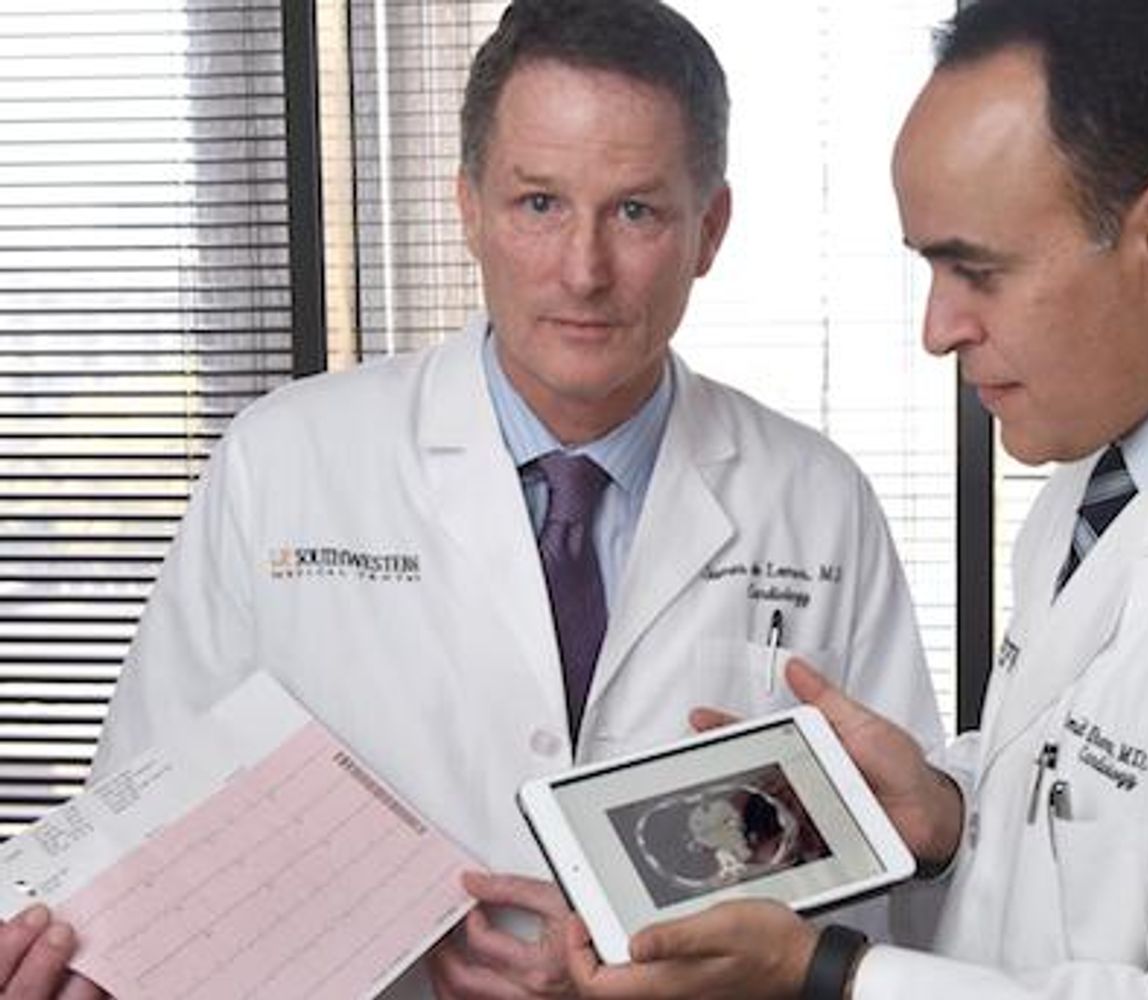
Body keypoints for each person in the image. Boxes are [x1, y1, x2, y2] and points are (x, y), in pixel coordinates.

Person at [0, 1, 946, 998]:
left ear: (707, 230)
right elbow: (146, 852)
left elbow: (886, 874)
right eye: (537, 203)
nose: (582, 271)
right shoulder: (283, 460)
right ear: (467, 207)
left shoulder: (814, 498)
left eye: (635, 211)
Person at [563, 0, 1148, 997]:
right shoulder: (1111, 465)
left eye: (977, 271)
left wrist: (827, 974)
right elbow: (1077, 809)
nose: (936, 328)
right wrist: (947, 812)